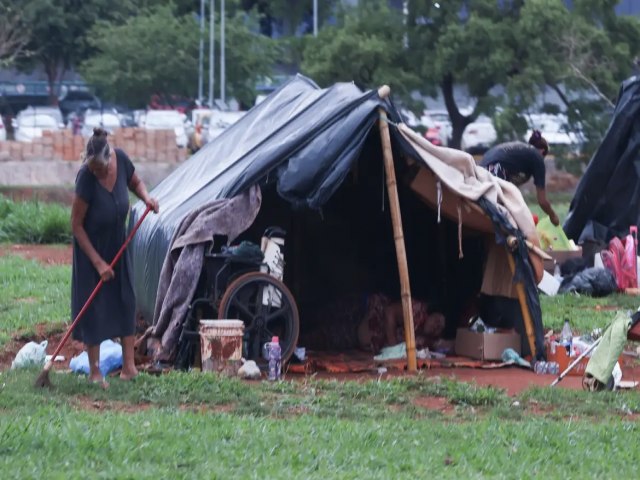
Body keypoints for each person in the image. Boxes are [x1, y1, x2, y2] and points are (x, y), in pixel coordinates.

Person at [70, 127, 159, 387]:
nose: (97, 173)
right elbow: (76, 225)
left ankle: (129, 367)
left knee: (126, 299)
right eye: (93, 169)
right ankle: (95, 371)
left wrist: (146, 198)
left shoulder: (121, 158)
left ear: (109, 159)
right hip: (92, 249)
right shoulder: (86, 178)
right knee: (95, 306)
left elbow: (135, 182)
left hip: (118, 244)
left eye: (100, 169)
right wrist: (98, 263)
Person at [480, 130, 560, 226]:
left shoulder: (521, 152)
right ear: (543, 151)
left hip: (481, 169)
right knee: (507, 217)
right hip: (496, 170)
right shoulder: (537, 157)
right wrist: (553, 216)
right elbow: (542, 201)